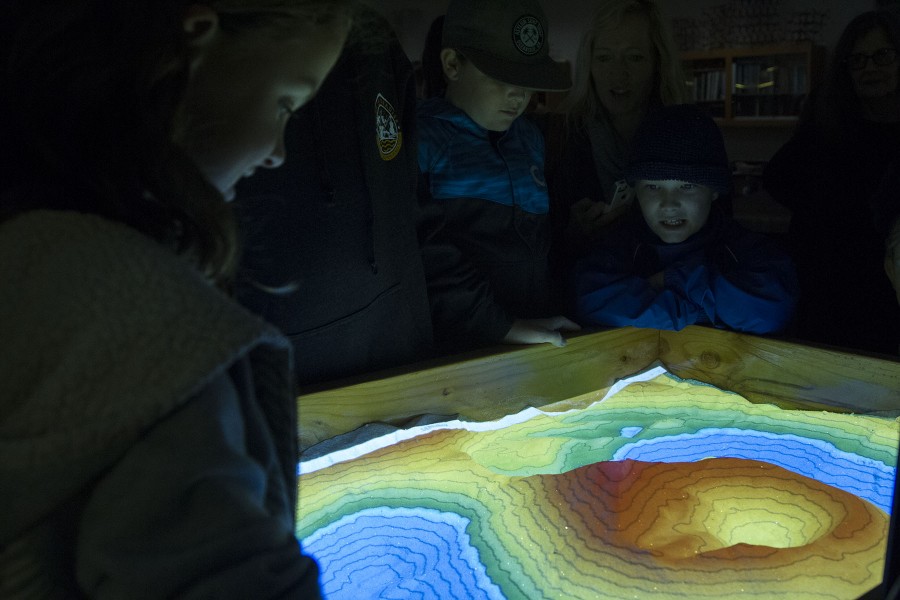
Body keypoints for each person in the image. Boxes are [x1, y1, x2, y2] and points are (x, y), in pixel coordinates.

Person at [0, 1, 352, 597]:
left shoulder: (28, 239)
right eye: (285, 104)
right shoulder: (132, 317)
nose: (278, 152)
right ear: (195, 39)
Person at [233, 6, 435, 387]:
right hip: (287, 356)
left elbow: (408, 194)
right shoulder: (242, 38)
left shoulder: (376, 39)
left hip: (402, 334)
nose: (275, 150)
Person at [417, 0, 580, 353]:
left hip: (539, 331)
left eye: (529, 80)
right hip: (458, 349)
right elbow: (425, 258)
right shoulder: (419, 140)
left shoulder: (531, 139)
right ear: (452, 64)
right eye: (503, 76)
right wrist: (500, 326)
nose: (519, 95)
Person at [574, 104, 799, 334]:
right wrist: (702, 312)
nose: (669, 204)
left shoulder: (743, 248)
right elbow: (591, 301)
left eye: (687, 186)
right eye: (653, 186)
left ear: (714, 191)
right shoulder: (619, 245)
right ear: (635, 191)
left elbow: (770, 309)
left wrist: (673, 280)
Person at [763, 9, 900, 354]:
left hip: (888, 290)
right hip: (829, 284)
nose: (870, 68)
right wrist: (834, 211)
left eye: (882, 55)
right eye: (858, 61)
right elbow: (777, 177)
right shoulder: (830, 124)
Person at [549, 0, 688, 307]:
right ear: (590, 65)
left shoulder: (686, 135)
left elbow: (716, 236)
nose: (618, 73)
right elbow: (545, 250)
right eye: (604, 58)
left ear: (657, 63)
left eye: (635, 58)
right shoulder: (566, 137)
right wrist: (575, 234)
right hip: (591, 309)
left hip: (673, 306)